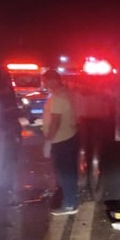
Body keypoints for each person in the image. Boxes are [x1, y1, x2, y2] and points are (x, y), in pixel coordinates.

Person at [41, 69, 80, 216]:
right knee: (70, 171)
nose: (44, 84)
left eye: (45, 81)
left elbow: (55, 122)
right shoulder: (66, 93)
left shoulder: (57, 98)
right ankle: (71, 199)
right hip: (70, 136)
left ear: (53, 80)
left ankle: (70, 204)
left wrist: (48, 142)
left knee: (64, 173)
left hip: (61, 140)